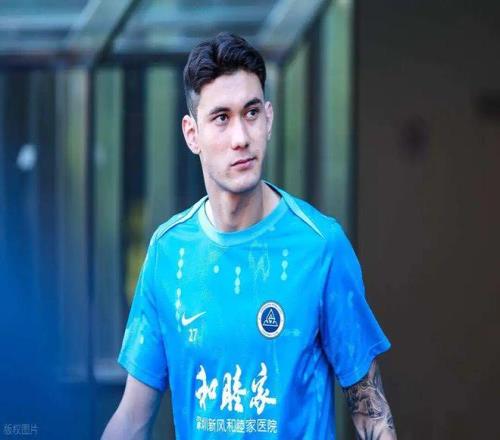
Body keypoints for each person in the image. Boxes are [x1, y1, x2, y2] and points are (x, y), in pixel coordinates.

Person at [102, 32, 396, 440]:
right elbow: (132, 419)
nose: (241, 137)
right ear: (192, 134)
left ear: (269, 119)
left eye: (252, 112)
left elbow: (371, 414)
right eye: (221, 118)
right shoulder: (168, 253)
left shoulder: (320, 246)